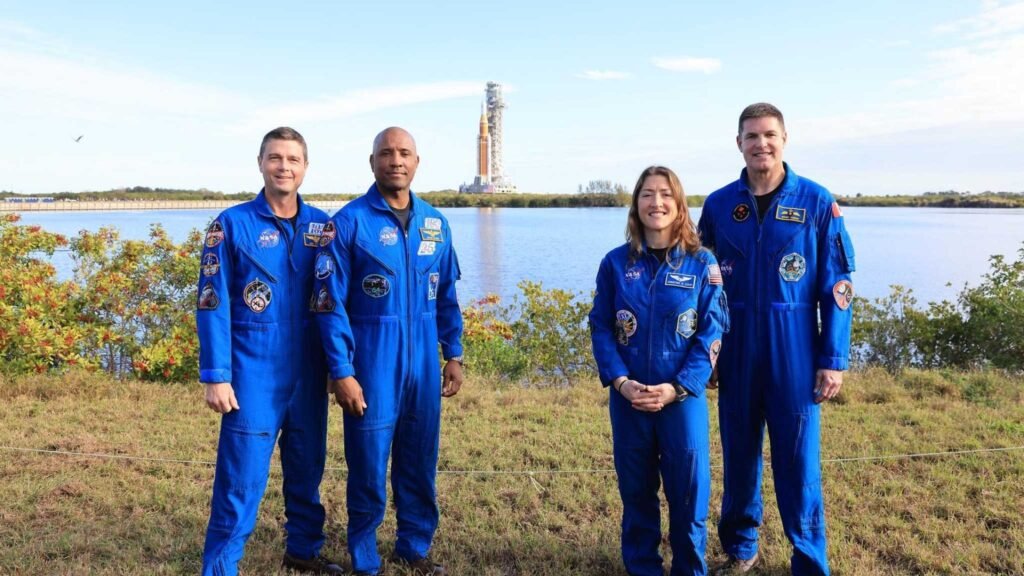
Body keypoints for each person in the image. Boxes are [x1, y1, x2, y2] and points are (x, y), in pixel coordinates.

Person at [697, 103, 856, 575]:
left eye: (769, 135)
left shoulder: (815, 201)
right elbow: (703, 281)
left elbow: (839, 286)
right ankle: (741, 547)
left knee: (798, 461)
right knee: (739, 454)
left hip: (796, 349)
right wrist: (707, 353)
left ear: (784, 139)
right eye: (751, 136)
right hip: (736, 345)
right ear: (739, 142)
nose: (760, 144)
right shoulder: (720, 204)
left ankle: (808, 559)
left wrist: (834, 357)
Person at [313, 127, 464, 576]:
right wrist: (342, 371)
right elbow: (328, 305)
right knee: (368, 463)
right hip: (371, 364)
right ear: (372, 161)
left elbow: (448, 295)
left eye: (404, 153)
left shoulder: (436, 223)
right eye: (386, 153)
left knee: (419, 460)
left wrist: (452, 353)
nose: (395, 161)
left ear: (417, 162)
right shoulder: (348, 223)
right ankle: (365, 557)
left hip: (421, 364)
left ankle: (414, 547)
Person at [196, 127, 343, 575]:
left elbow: (337, 299)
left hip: (309, 371)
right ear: (260, 163)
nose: (284, 167)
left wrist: (342, 367)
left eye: (293, 159)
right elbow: (211, 302)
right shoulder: (231, 224)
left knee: (307, 468)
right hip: (253, 372)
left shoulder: (324, 226)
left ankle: (303, 550)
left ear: (305, 167)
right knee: (241, 479)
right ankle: (221, 567)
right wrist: (216, 374)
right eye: (275, 158)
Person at [590, 165, 730, 576]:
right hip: (629, 398)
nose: (657, 202)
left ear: (680, 204)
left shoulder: (703, 263)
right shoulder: (615, 263)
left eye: (665, 194)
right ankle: (643, 567)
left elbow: (713, 331)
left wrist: (679, 387)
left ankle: (690, 568)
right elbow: (601, 326)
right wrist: (621, 381)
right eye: (647, 194)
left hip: (681, 400)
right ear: (636, 205)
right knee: (636, 494)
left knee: (689, 497)